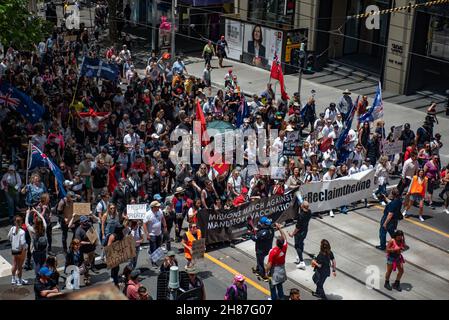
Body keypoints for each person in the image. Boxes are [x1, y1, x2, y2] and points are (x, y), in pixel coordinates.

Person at [265, 223, 288, 300]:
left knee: (272, 286)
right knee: (279, 284)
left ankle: (273, 298)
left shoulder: (273, 251)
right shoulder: (285, 246)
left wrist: (266, 272)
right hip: (282, 269)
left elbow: (269, 264)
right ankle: (281, 297)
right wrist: (280, 228)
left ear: (277, 243)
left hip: (274, 270)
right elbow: (284, 237)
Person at [288, 201, 312, 270]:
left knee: (297, 246)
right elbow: (304, 210)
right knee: (301, 243)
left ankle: (302, 262)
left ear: (302, 206)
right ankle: (299, 256)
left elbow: (297, 227)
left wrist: (292, 234)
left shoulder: (301, 216)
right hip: (305, 231)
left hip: (299, 233)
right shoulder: (309, 212)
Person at [74, 215, 97, 285]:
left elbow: (94, 233)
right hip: (85, 252)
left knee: (88, 264)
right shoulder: (78, 231)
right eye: (85, 222)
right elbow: (78, 242)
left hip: (92, 250)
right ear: (81, 222)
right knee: (86, 265)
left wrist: (95, 240)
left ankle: (84, 273)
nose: (87, 222)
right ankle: (86, 278)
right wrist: (88, 242)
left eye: (87, 221)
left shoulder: (89, 225)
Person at [143, 201, 167, 267]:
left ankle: (152, 254)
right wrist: (147, 234)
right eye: (157, 206)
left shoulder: (160, 211)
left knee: (158, 247)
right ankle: (153, 262)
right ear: (153, 207)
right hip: (152, 234)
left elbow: (163, 218)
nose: (159, 207)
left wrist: (165, 226)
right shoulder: (148, 214)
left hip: (159, 233)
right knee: (154, 248)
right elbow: (144, 224)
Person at [25, 208, 47, 277]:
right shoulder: (44, 227)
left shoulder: (32, 230)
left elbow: (26, 223)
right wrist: (36, 211)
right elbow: (43, 219)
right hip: (43, 249)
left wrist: (27, 213)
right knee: (43, 263)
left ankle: (38, 277)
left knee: (37, 264)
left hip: (35, 249)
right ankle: (43, 276)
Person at [8, 215, 28, 286]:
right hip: (21, 250)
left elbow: (9, 237)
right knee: (20, 266)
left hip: (14, 249)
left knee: (14, 264)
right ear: (21, 222)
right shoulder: (22, 231)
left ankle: (13, 279)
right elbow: (23, 243)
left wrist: (13, 243)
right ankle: (19, 281)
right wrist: (25, 248)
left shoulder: (12, 228)